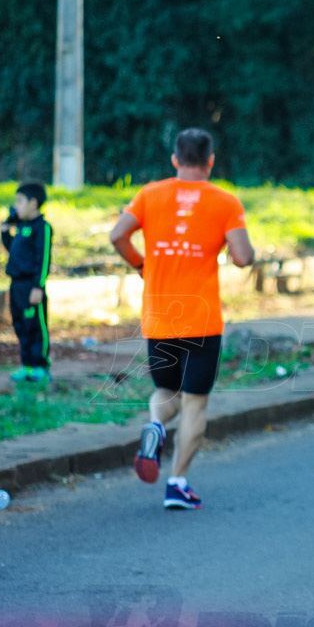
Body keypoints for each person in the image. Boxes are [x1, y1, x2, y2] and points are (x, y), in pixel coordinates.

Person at [110, 128, 255, 510]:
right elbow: (242, 257)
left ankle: (155, 426)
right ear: (210, 161)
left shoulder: (149, 195)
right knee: (194, 404)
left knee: (165, 394)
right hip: (202, 321)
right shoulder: (225, 201)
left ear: (175, 159)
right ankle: (177, 483)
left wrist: (142, 265)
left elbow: (118, 236)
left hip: (159, 317)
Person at [0, 183, 53, 382]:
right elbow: (13, 250)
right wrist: (6, 229)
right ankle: (27, 365)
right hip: (16, 285)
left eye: (20, 201)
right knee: (20, 325)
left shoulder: (42, 227)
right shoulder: (21, 227)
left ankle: (40, 365)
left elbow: (43, 259)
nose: (16, 206)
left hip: (32, 286)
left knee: (35, 325)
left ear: (33, 203)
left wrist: (38, 286)